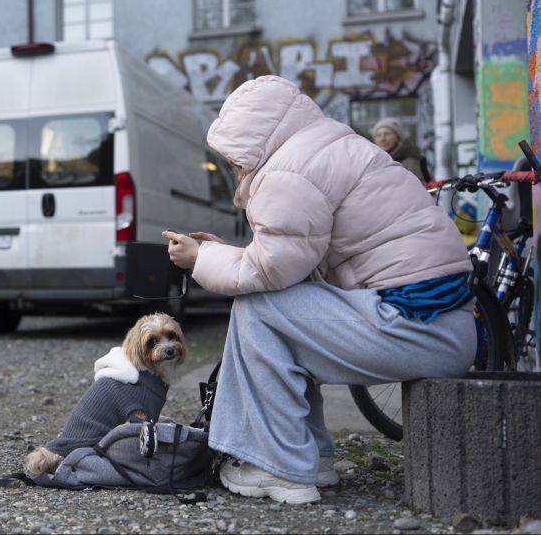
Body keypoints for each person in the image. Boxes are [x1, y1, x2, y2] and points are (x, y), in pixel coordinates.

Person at [163, 76, 475, 505]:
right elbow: (290, 267)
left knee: (260, 309)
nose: (233, 167)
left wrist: (199, 259)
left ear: (253, 141)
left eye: (234, 156)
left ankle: (280, 468)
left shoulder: (289, 172)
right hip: (436, 320)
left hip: (418, 324)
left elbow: (266, 273)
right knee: (283, 311)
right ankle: (310, 459)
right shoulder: (323, 147)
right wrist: (224, 253)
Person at [372, 117, 426, 183]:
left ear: (398, 138)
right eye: (378, 135)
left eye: (387, 134)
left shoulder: (410, 163)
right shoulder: (374, 163)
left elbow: (419, 189)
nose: (382, 139)